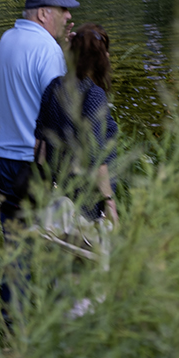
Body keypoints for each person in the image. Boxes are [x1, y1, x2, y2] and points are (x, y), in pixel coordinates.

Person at [0, 0, 77, 227]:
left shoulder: (7, 39)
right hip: (32, 161)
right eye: (63, 10)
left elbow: (28, 84)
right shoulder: (48, 50)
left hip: (3, 157)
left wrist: (59, 51)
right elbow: (58, 105)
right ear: (43, 14)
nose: (69, 16)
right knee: (40, 238)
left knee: (13, 233)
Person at [35, 23, 119, 223]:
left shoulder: (54, 87)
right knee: (89, 250)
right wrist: (110, 202)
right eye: (104, 52)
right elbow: (95, 158)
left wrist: (43, 189)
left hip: (59, 196)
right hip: (88, 199)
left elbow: (40, 144)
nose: (107, 56)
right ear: (96, 59)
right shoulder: (93, 95)